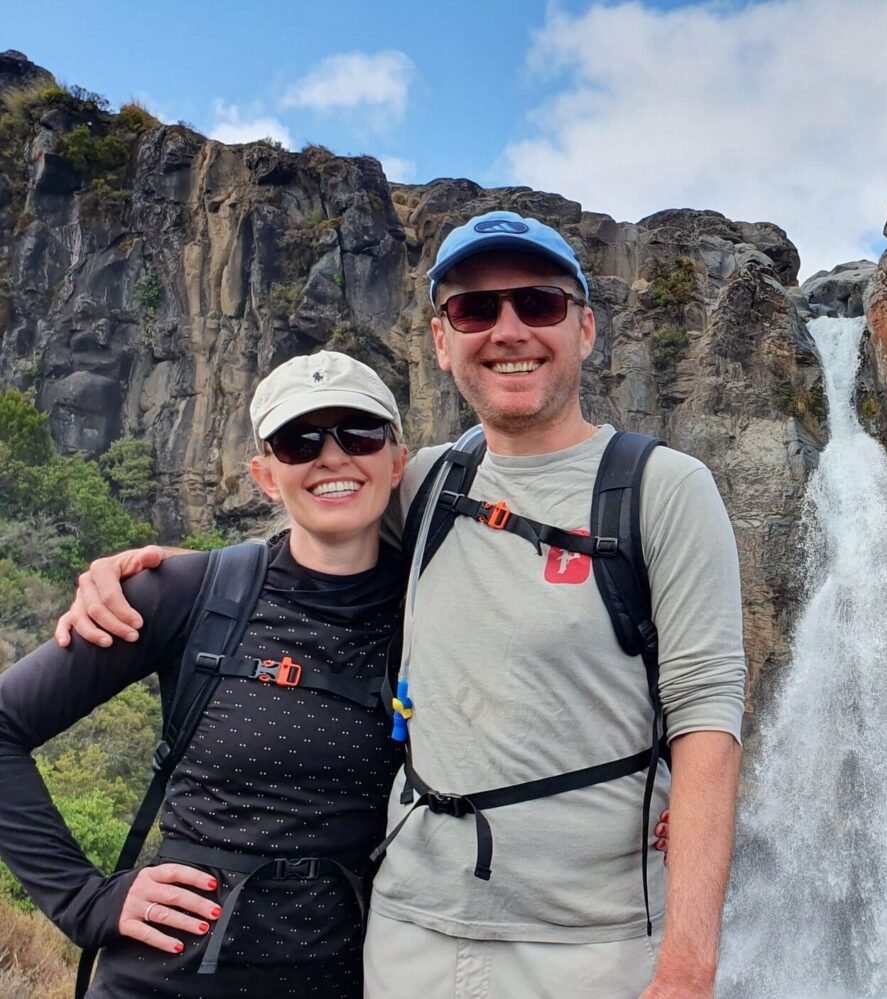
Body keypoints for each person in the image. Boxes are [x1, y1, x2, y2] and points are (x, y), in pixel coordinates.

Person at [57, 211, 748, 999]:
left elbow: (707, 713)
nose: (508, 329)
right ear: (441, 341)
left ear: (585, 328)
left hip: (590, 942)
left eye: (540, 304)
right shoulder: (424, 482)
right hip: (406, 935)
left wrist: (689, 969)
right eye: (474, 309)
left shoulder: (661, 488)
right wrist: (152, 574)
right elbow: (317, 530)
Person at [0, 351, 410, 997]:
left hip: (352, 979)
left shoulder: (436, 611)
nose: (331, 457)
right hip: (167, 979)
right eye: (298, 441)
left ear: (397, 460)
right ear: (266, 474)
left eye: (358, 433)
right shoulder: (188, 592)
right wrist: (81, 900)